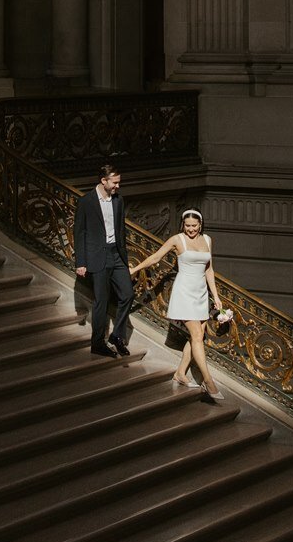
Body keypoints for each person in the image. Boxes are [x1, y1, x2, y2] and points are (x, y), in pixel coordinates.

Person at [130, 209, 229, 401]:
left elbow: (209, 269)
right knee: (198, 336)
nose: (191, 229)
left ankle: (180, 373)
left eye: (194, 226)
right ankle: (209, 381)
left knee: (196, 337)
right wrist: (135, 268)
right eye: (187, 225)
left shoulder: (207, 240)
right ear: (183, 224)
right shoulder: (177, 239)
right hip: (184, 292)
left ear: (200, 224)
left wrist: (215, 296)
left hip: (201, 293)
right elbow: (156, 257)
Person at [74, 161, 134, 357]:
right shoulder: (86, 201)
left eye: (118, 182)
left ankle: (116, 335)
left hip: (116, 255)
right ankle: (97, 343)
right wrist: (81, 262)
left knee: (127, 294)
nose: (118, 186)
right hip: (97, 256)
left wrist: (124, 256)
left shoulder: (118, 200)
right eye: (115, 182)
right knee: (101, 300)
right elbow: (79, 232)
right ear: (103, 180)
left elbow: (121, 230)